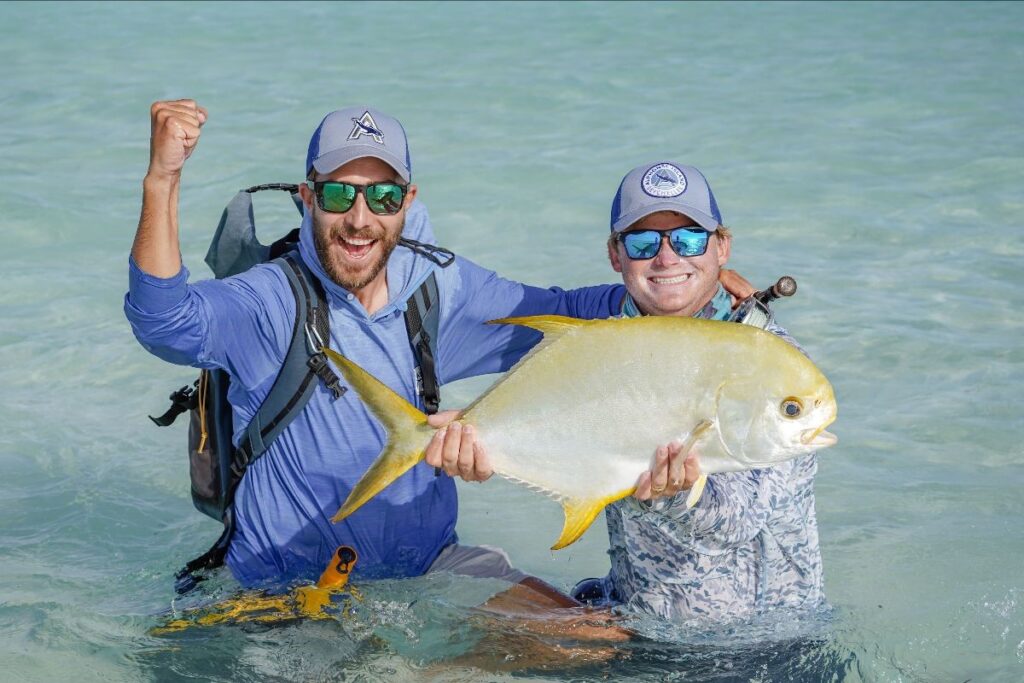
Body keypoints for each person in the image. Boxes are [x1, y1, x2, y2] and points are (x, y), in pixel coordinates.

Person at [126, 100, 622, 595]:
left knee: (592, 645)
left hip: (430, 568)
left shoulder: (439, 289)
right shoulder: (270, 302)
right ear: (309, 197)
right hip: (287, 592)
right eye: (339, 194)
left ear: (407, 201)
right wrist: (162, 179)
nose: (360, 218)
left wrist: (679, 277)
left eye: (382, 197)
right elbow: (164, 321)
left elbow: (572, 319)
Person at [440, 161, 825, 625]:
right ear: (615, 256)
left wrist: (674, 495)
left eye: (688, 239)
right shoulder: (606, 345)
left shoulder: (774, 364)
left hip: (758, 649)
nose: (667, 259)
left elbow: (739, 520)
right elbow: (570, 427)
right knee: (452, 637)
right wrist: (480, 438)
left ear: (722, 246)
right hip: (634, 625)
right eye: (644, 243)